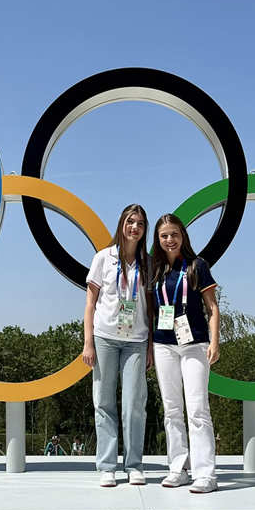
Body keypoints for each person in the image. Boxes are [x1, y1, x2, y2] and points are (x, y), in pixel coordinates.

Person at [150, 213, 220, 493]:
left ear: (183, 236)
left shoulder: (197, 265)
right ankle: (178, 467)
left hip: (195, 344)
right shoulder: (155, 270)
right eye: (164, 235)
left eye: (174, 234)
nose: (170, 240)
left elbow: (213, 308)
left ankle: (206, 474)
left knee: (198, 409)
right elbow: (151, 310)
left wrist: (215, 342)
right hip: (163, 345)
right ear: (158, 239)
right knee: (171, 410)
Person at [83, 204, 151, 487]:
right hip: (105, 337)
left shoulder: (148, 262)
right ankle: (107, 465)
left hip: (137, 340)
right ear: (121, 224)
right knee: (104, 401)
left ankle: (134, 464)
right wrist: (88, 342)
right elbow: (90, 303)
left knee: (134, 404)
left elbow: (153, 308)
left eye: (140, 223)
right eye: (130, 221)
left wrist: (150, 348)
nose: (134, 227)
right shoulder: (103, 258)